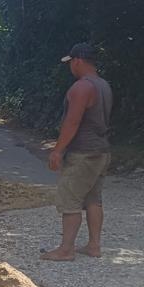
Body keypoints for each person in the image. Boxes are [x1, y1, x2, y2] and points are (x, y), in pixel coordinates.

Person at [42, 42, 113, 262]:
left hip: (83, 153)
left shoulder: (81, 88)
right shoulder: (104, 85)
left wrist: (57, 150)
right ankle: (94, 245)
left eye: (71, 62)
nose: (70, 67)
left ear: (78, 61)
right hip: (101, 151)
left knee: (70, 198)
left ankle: (66, 249)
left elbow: (72, 122)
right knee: (93, 198)